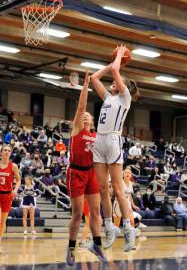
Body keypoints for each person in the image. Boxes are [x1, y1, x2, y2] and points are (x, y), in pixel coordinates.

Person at [91, 44, 139, 252]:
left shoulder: (124, 98)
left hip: (113, 141)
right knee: (103, 188)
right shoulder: (108, 98)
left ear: (123, 86)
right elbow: (93, 78)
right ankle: (110, 227)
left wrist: (119, 57)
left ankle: (128, 229)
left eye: (117, 81)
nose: (113, 82)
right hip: (99, 141)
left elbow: (116, 72)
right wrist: (111, 63)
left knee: (118, 188)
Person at [66, 71, 106, 266]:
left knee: (96, 213)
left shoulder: (97, 135)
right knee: (77, 214)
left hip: (91, 173)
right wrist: (86, 84)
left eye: (87, 116)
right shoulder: (76, 129)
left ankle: (97, 245)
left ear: (91, 121)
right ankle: (71, 248)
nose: (84, 117)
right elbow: (82, 106)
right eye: (83, 116)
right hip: (76, 172)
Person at [0, 145, 21, 253]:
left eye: (9, 150)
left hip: (7, 195)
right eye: (5, 150)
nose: (7, 152)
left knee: (2, 222)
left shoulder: (13, 166)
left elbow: (18, 180)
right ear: (1, 152)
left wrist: (16, 189)